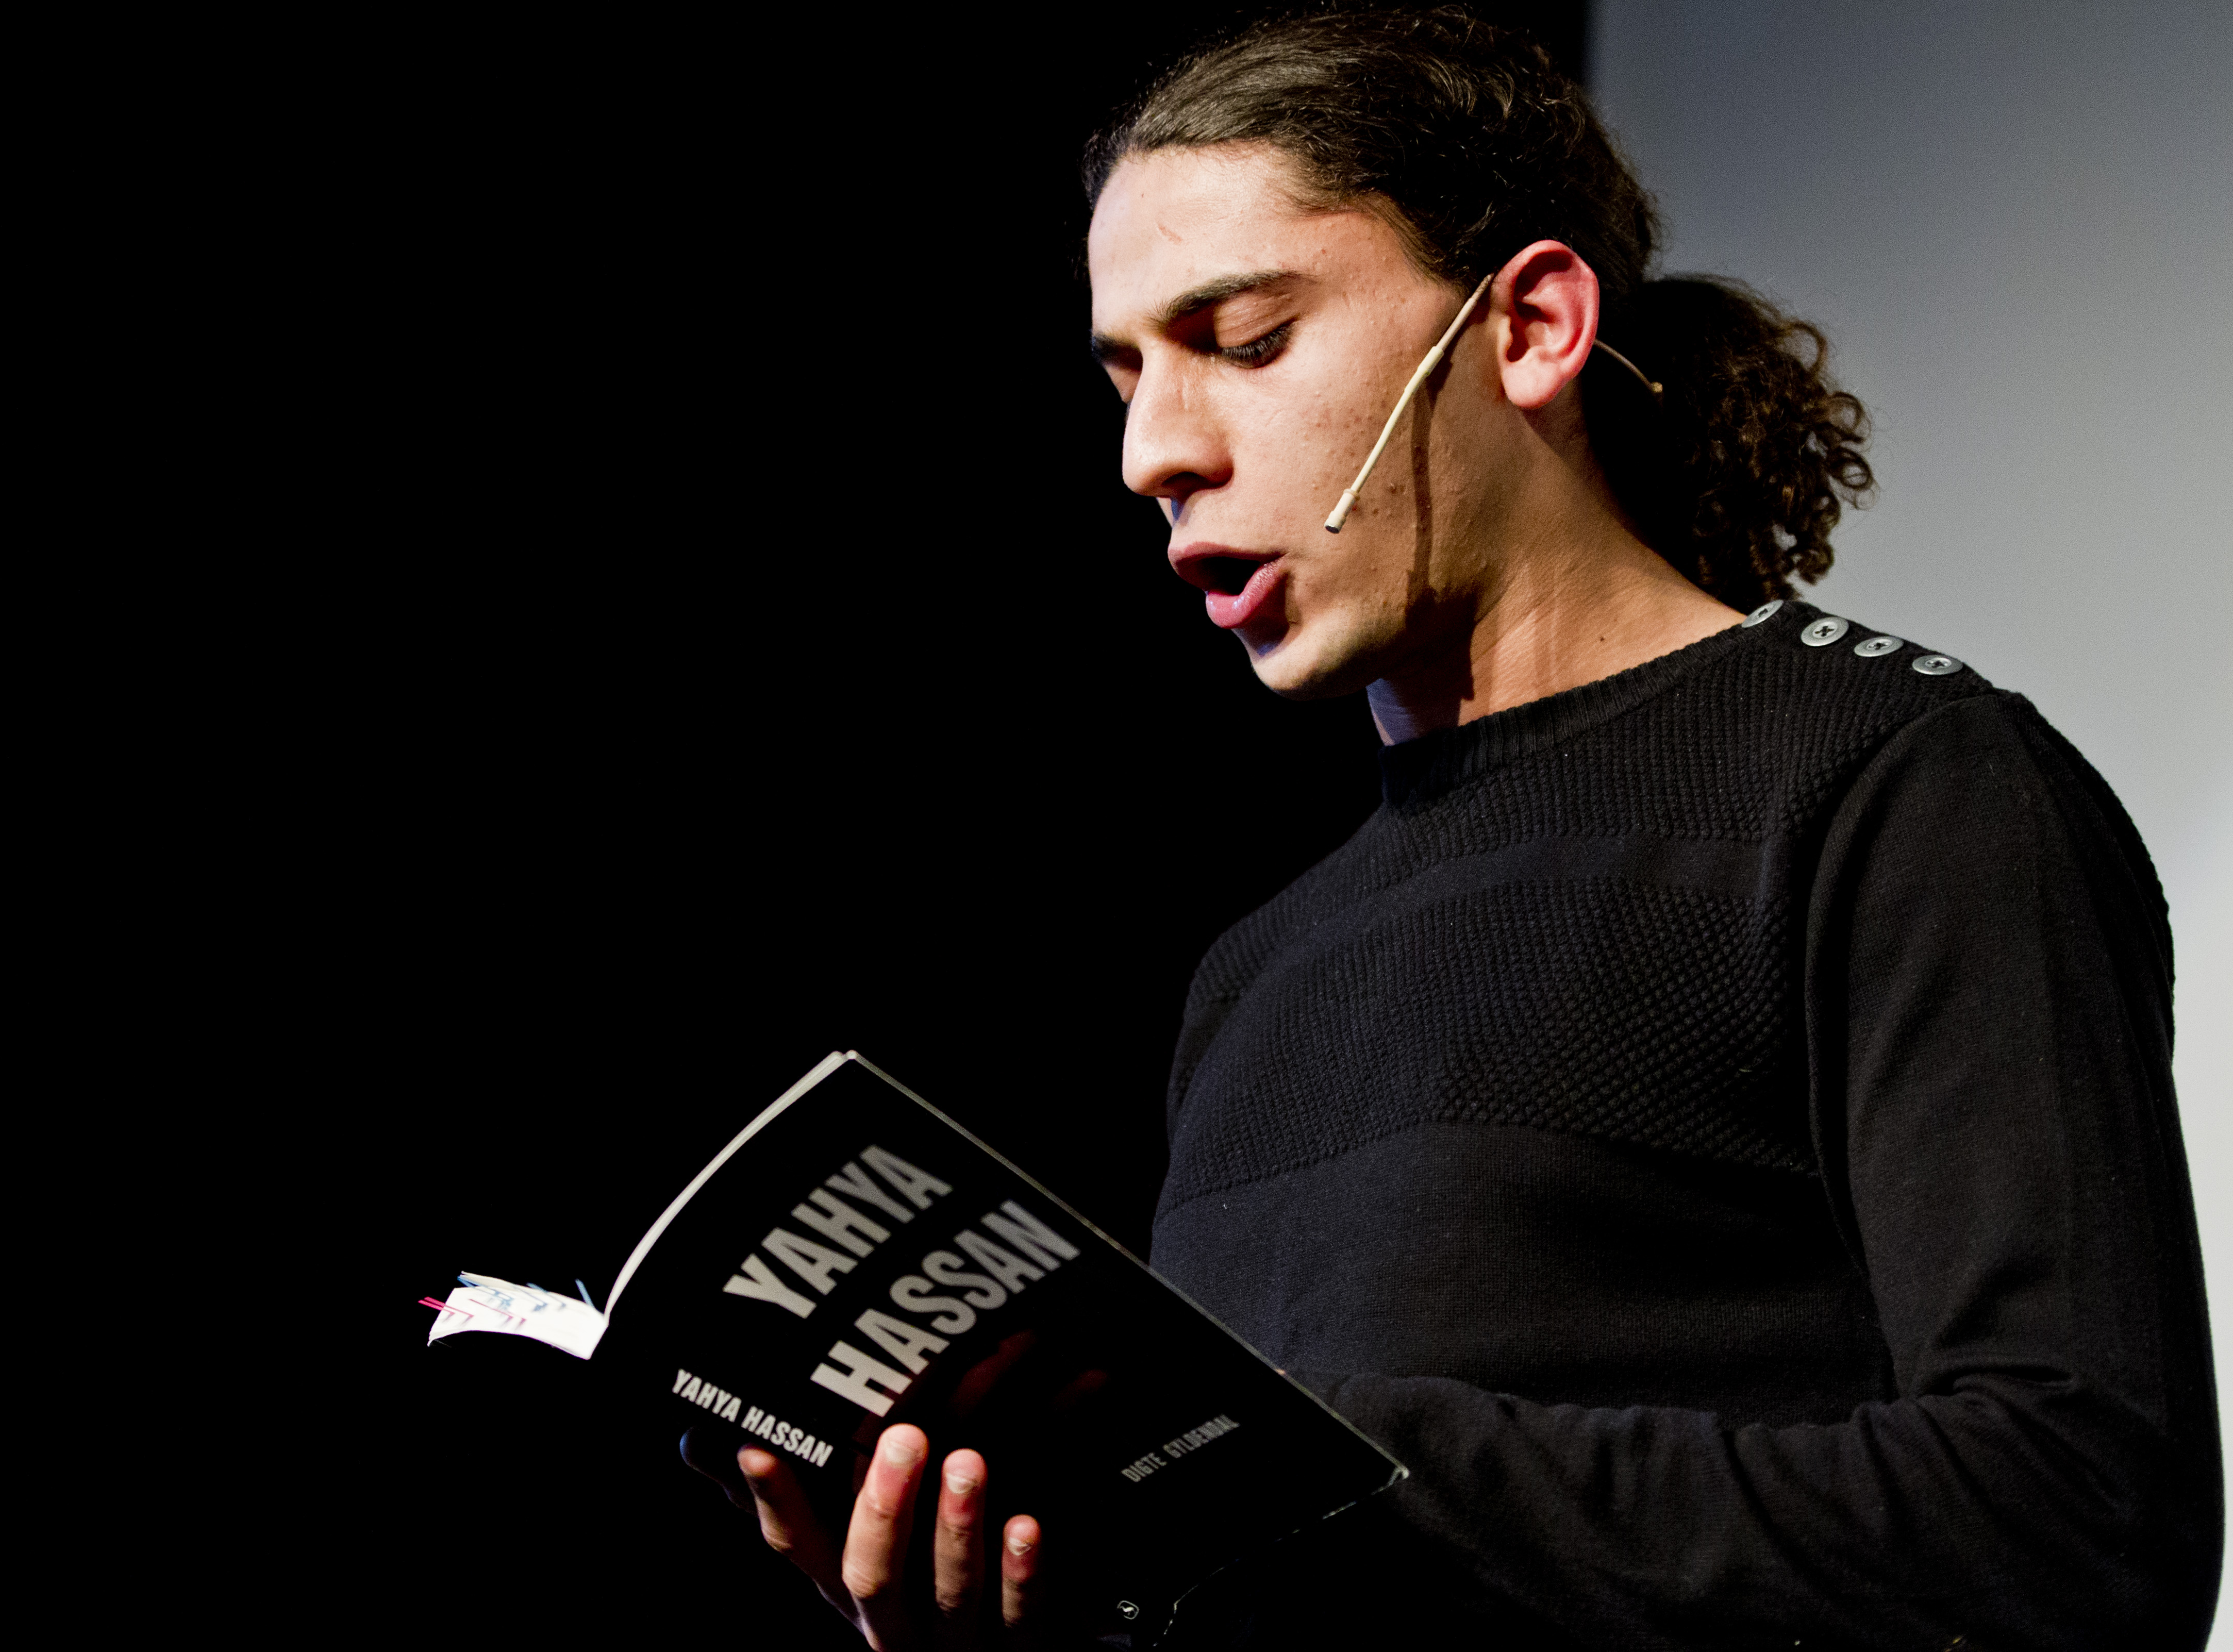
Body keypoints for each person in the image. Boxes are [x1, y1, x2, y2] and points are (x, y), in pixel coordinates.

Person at [695, 12, 2220, 1646]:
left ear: (1532, 327)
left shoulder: (1902, 785)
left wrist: (1323, 1472)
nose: (1153, 453)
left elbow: (2078, 1513)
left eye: (1246, 339)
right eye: (1127, 371)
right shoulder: (1253, 970)